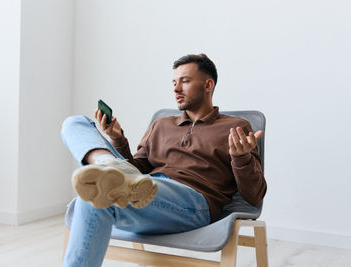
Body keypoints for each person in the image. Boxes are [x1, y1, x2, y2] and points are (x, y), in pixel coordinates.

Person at [61, 53, 267, 267]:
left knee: (96, 190)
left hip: (192, 202)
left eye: (185, 81)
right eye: (174, 83)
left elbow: (253, 197)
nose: (176, 89)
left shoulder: (235, 127)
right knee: (76, 126)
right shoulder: (161, 125)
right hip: (143, 193)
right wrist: (117, 139)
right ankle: (107, 164)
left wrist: (241, 158)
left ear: (208, 85)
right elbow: (136, 169)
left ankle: (110, 170)